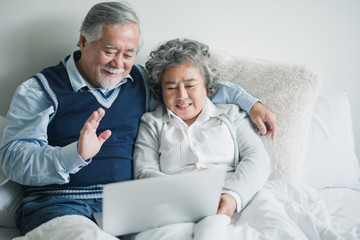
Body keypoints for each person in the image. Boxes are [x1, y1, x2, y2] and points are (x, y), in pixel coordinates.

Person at [0, 1, 275, 238]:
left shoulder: (140, 81)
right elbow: (13, 159)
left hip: (133, 208)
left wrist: (251, 104)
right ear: (83, 41)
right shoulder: (40, 90)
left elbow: (192, 90)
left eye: (128, 54)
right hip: (61, 205)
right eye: (110, 50)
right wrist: (74, 155)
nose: (119, 63)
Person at [133, 38, 270, 237]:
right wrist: (190, 189)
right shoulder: (152, 123)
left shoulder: (230, 114)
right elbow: (144, 171)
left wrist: (232, 197)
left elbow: (258, 159)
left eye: (190, 85)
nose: (181, 96)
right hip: (176, 206)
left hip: (238, 199)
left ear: (206, 84)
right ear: (160, 91)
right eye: (171, 88)